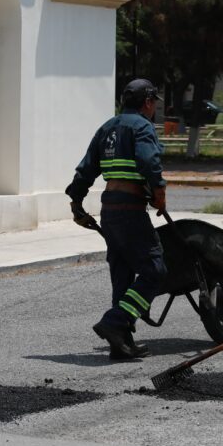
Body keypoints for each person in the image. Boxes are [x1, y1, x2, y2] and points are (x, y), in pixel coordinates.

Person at [65, 78, 168, 360]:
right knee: (155, 271)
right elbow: (149, 162)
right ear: (147, 102)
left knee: (122, 273)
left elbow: (86, 169)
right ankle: (116, 320)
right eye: (153, 102)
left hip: (109, 210)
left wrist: (76, 203)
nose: (154, 108)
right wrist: (159, 192)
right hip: (130, 210)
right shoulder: (143, 127)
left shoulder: (107, 127)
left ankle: (120, 344)